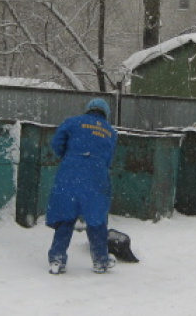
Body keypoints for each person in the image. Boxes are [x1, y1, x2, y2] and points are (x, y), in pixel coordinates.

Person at [46, 98, 118, 274]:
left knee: (65, 216)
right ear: (105, 113)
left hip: (70, 173)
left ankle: (57, 260)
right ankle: (100, 260)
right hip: (96, 175)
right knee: (96, 217)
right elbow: (108, 158)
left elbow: (57, 144)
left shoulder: (73, 122)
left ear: (88, 109)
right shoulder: (110, 132)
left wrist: (71, 158)